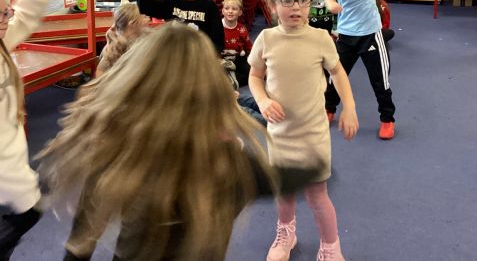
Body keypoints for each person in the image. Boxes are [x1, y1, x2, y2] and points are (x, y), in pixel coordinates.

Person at [38, 23, 321, 261]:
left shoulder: (118, 151)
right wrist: (310, 158)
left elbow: (80, 241)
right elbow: (287, 178)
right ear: (210, 90)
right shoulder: (228, 165)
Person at [248, 0, 358, 261]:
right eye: (286, 0)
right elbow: (255, 76)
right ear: (272, 5)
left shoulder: (320, 38)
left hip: (313, 134)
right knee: (284, 192)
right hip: (280, 134)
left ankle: (331, 246)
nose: (295, 7)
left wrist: (349, 107)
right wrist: (262, 100)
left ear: (310, 3)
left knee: (317, 195)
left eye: (302, 0)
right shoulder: (266, 39)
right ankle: (286, 232)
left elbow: (338, 73)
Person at [0, 0, 63, 261]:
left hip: (10, 155)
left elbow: (22, 19)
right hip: (5, 162)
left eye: (6, 11)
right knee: (29, 211)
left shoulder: (2, 41)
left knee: (28, 211)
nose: (8, 18)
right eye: (2, 14)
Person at [322, 0, 397, 140]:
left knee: (380, 81)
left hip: (371, 34)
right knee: (335, 77)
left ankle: (387, 119)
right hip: (346, 36)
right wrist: (330, 2)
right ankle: (329, 108)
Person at [299, 0, 340, 122]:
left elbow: (339, 0)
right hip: (309, 24)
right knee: (308, 61)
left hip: (328, 24)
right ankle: (308, 97)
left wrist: (336, 28)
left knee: (327, 63)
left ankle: (326, 100)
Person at [96, 0, 151, 77]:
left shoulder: (143, 37)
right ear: (132, 24)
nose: (148, 19)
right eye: (144, 17)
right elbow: (100, 71)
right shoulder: (116, 46)